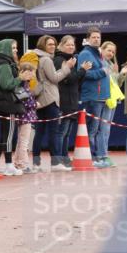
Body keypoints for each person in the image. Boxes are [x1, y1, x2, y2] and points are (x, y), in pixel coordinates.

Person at [31, 35, 74, 171]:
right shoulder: (46, 60)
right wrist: (67, 68)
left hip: (39, 99)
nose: (52, 47)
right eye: (49, 44)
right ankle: (55, 163)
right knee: (54, 132)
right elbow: (55, 78)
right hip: (50, 99)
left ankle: (36, 163)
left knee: (39, 132)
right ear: (43, 45)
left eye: (54, 44)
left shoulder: (35, 57)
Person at [0, 39, 24, 175]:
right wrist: (21, 78)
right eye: (13, 48)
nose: (16, 50)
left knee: (5, 135)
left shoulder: (2, 62)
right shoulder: (4, 64)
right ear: (6, 48)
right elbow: (7, 84)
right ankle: (9, 165)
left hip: (3, 103)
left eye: (16, 48)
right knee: (8, 135)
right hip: (7, 103)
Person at [77, 27, 110, 166]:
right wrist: (102, 72)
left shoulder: (98, 54)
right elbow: (85, 74)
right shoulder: (85, 54)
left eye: (98, 37)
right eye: (94, 37)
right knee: (91, 130)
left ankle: (98, 157)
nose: (97, 39)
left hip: (101, 97)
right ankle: (91, 158)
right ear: (88, 39)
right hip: (92, 97)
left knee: (97, 130)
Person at [55, 35, 89, 168]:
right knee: (61, 131)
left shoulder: (71, 60)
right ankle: (58, 159)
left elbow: (76, 81)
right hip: (64, 101)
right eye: (68, 44)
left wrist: (82, 72)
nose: (71, 47)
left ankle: (64, 157)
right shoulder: (59, 60)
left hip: (73, 100)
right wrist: (82, 70)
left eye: (72, 45)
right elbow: (67, 80)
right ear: (61, 45)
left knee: (67, 132)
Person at [98, 40, 120, 167]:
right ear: (102, 49)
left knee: (107, 128)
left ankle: (104, 154)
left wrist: (119, 74)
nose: (111, 53)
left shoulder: (111, 64)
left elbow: (116, 84)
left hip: (113, 99)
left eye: (113, 51)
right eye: (109, 50)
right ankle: (102, 156)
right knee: (103, 128)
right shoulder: (100, 63)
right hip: (105, 99)